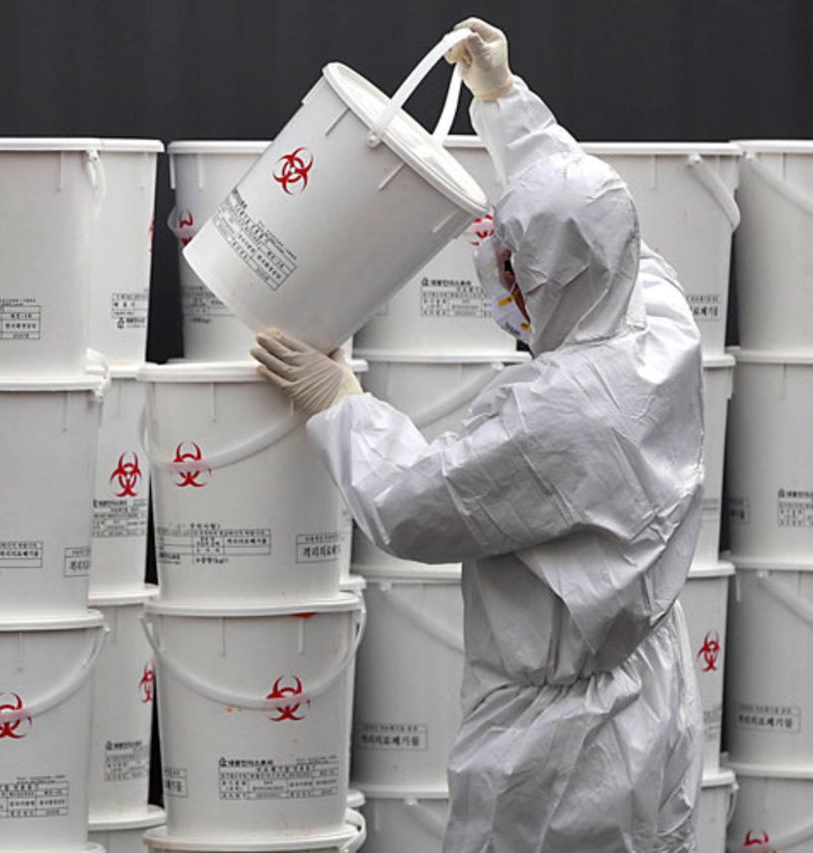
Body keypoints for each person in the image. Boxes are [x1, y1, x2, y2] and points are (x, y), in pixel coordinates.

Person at [250, 16, 706, 853]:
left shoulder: (552, 415)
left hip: (558, 746)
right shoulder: (658, 316)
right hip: (653, 694)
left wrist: (340, 400)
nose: (510, 294)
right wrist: (503, 100)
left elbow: (414, 502)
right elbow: (579, 210)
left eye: (517, 276)